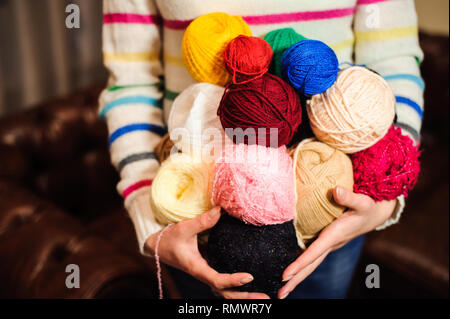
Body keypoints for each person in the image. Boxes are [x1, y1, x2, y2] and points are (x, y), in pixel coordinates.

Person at [99, 0, 424, 299]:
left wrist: (383, 199)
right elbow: (131, 84)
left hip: (334, 214)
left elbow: (393, 61)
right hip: (192, 221)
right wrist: (148, 212)